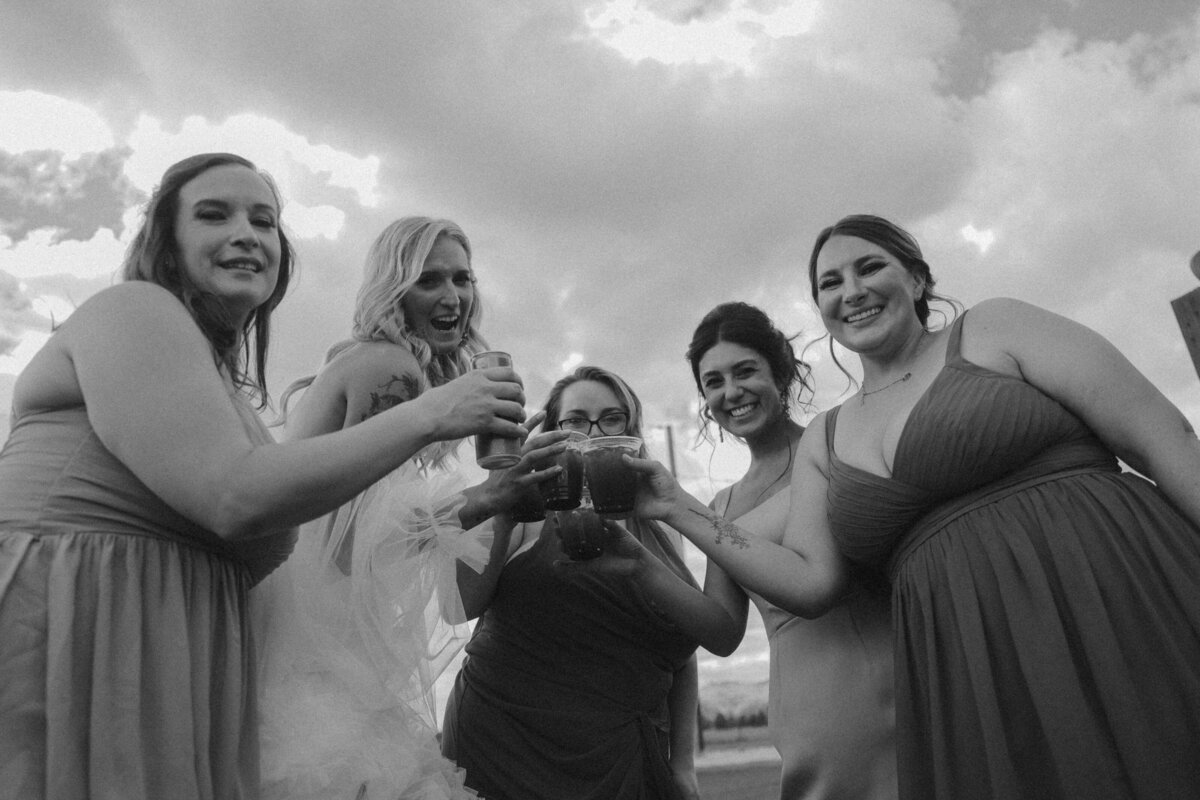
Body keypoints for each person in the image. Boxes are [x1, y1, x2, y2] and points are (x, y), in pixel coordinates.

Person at [620, 213, 1200, 800]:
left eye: (869, 267)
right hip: (968, 663)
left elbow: (1160, 436)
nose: (852, 291)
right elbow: (804, 584)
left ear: (919, 279)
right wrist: (669, 510)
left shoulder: (996, 328)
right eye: (830, 283)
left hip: (1110, 592)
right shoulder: (830, 438)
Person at [0, 155, 527, 800]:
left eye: (266, 221)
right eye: (213, 214)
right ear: (166, 243)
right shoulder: (133, 308)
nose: (247, 233)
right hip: (69, 621)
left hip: (168, 644)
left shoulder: (221, 390)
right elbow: (243, 498)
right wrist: (438, 426)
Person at [254, 216, 557, 800]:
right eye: (429, 280)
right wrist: (491, 500)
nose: (453, 298)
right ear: (393, 290)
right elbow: (344, 546)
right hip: (315, 658)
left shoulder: (393, 369)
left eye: (463, 279)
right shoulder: (388, 369)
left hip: (326, 649)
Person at [441, 366, 725, 800]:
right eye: (574, 420)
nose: (592, 433)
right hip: (505, 750)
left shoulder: (659, 529)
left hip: (623, 760)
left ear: (631, 432)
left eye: (611, 418)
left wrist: (682, 763)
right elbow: (457, 607)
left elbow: (680, 654)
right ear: (552, 431)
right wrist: (503, 506)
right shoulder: (522, 512)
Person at [686, 301, 896, 800]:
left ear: (780, 373)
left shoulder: (837, 442)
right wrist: (633, 562)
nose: (731, 392)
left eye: (745, 372)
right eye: (713, 382)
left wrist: (679, 510)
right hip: (799, 718)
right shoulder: (723, 506)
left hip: (880, 692)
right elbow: (719, 631)